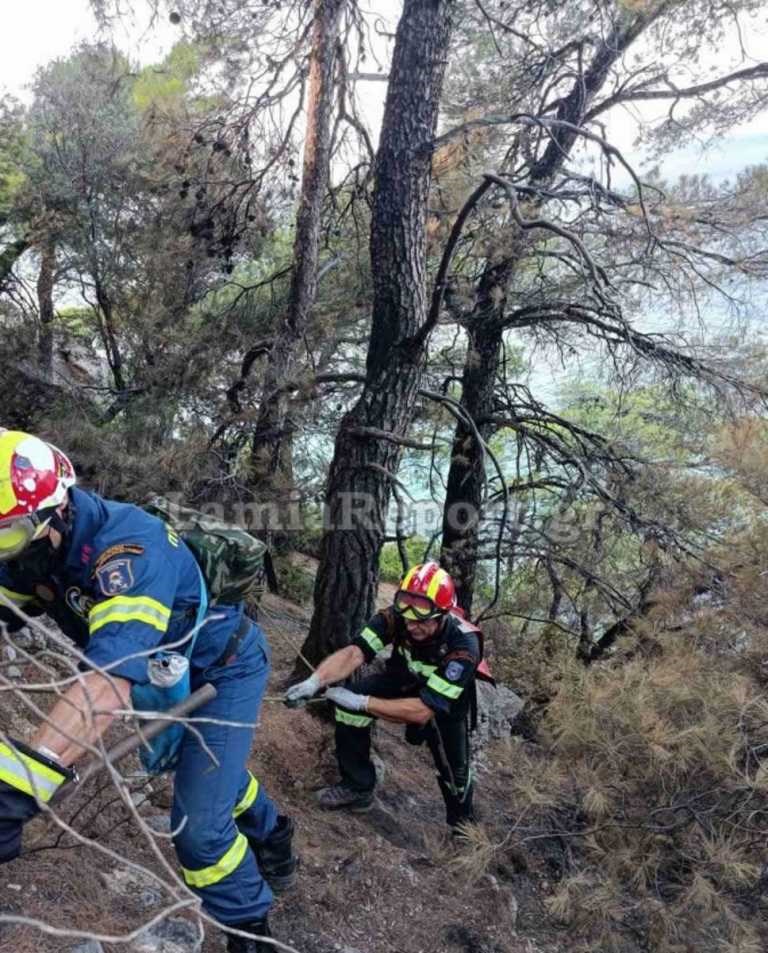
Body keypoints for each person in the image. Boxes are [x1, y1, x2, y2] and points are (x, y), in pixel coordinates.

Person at [0, 430, 295, 953]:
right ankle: (269, 827)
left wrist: (18, 786)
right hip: (161, 675)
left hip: (222, 671)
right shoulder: (33, 546)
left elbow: (107, 681)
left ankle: (251, 929)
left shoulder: (130, 551)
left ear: (57, 511)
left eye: (7, 537)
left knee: (198, 833)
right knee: (199, 768)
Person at [285, 562, 481, 829]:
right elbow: (355, 653)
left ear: (442, 615)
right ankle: (357, 787)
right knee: (348, 707)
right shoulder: (394, 617)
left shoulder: (464, 646)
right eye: (407, 619)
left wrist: (363, 703)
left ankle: (463, 826)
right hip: (403, 679)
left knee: (453, 769)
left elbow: (423, 710)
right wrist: (315, 681)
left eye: (421, 621)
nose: (411, 626)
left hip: (445, 703)